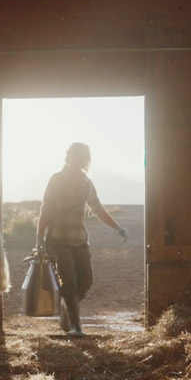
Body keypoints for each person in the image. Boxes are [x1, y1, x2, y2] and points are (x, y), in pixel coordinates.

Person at [35, 142, 128, 336]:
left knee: (86, 280)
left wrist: (117, 227)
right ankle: (76, 327)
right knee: (68, 282)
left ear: (86, 160)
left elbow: (98, 209)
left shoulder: (87, 183)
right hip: (58, 238)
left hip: (80, 238)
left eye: (82, 157)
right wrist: (39, 237)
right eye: (75, 156)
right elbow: (46, 208)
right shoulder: (56, 180)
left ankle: (67, 309)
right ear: (68, 157)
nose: (78, 160)